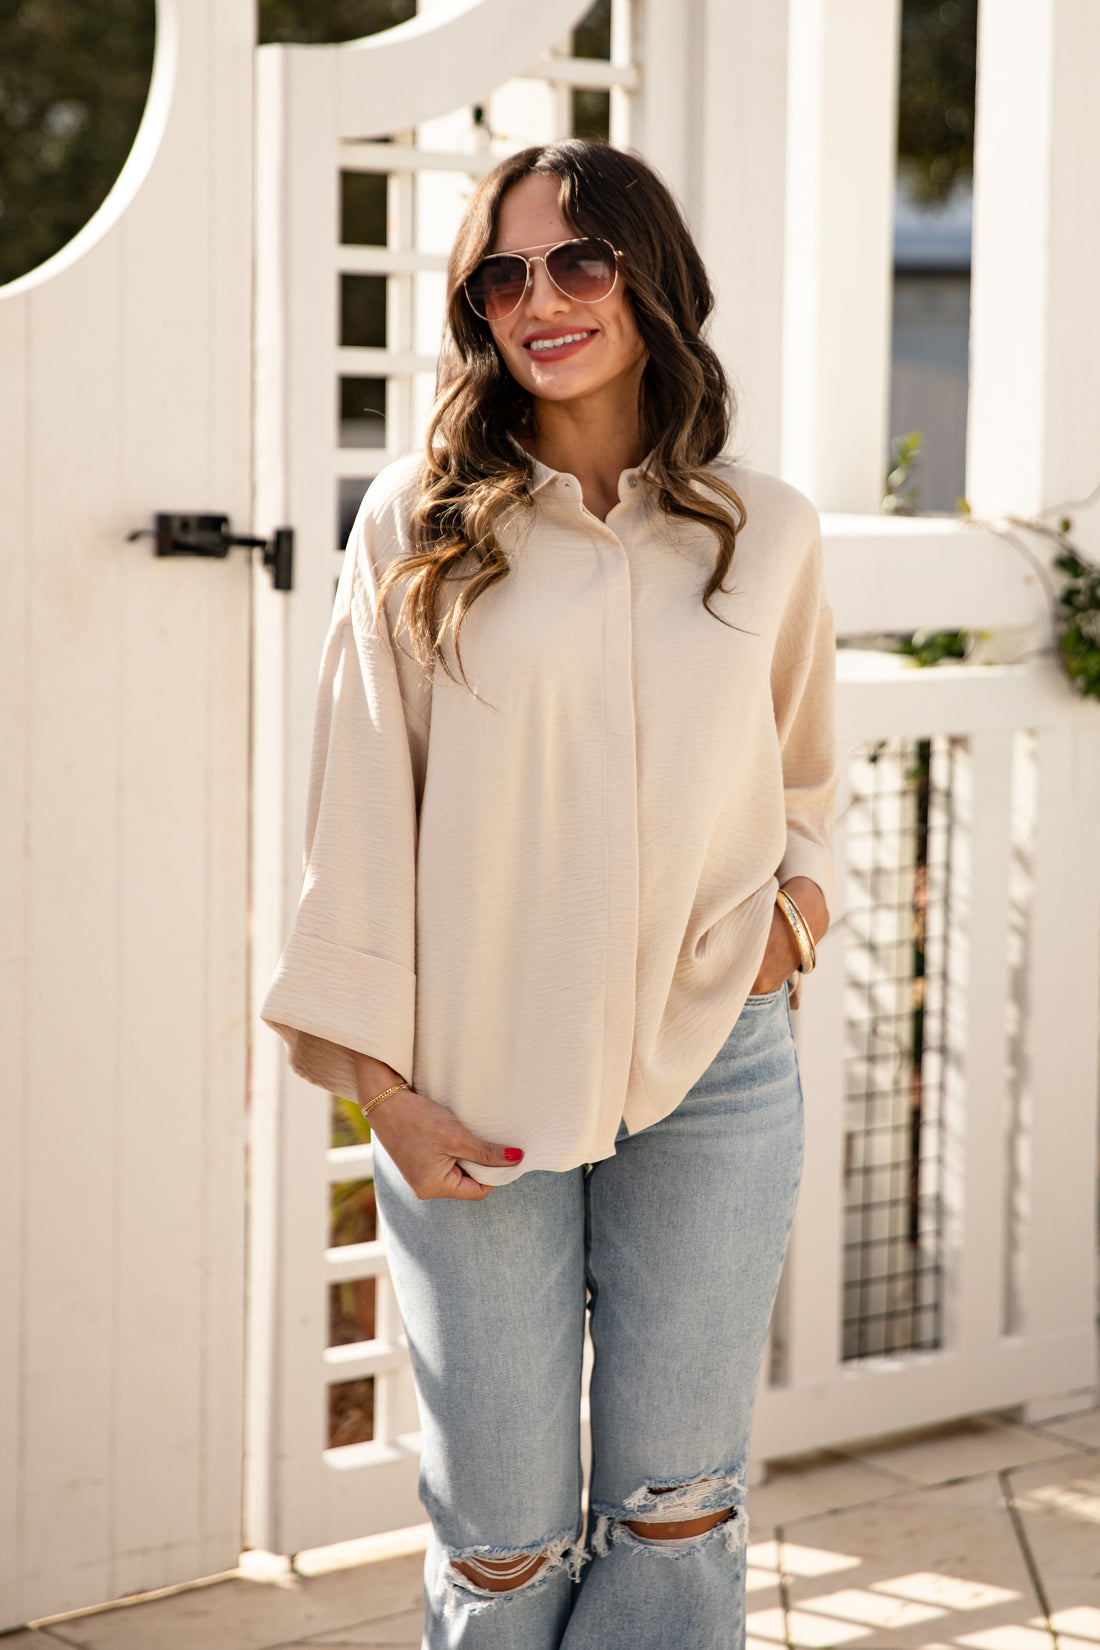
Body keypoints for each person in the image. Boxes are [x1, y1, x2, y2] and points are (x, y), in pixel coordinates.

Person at [263, 139, 837, 1650]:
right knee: (503, 1542)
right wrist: (385, 1094)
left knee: (679, 1508)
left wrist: (794, 914)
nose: (541, 299)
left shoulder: (763, 526)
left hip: (719, 1070)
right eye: (502, 274)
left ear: (651, 279)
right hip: (476, 1094)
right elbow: (358, 821)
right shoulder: (418, 525)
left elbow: (803, 776)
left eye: (577, 260)